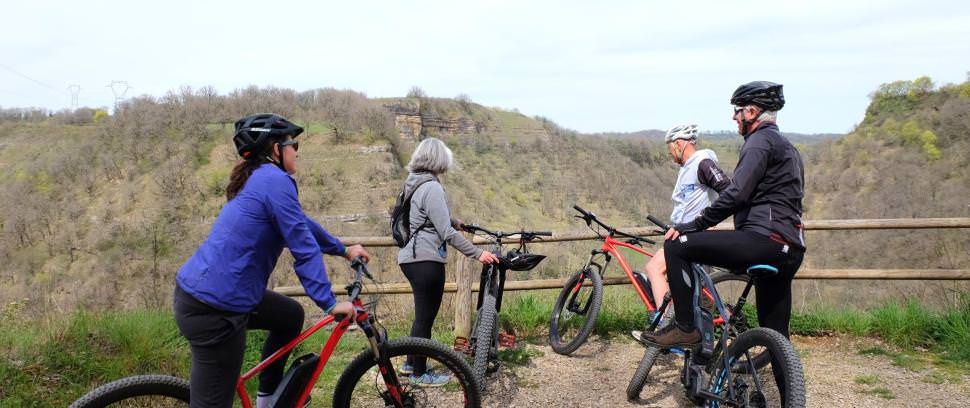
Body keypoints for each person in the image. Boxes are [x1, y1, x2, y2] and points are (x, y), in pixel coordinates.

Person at [173, 113, 370, 408]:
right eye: (294, 144)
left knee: (289, 316)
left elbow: (300, 224)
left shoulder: (262, 178)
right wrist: (328, 302)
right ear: (276, 149)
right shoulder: (275, 180)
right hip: (213, 309)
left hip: (228, 294)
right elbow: (302, 247)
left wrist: (342, 250)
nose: (297, 151)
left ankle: (267, 398)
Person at [642, 81, 806, 348]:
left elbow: (736, 194)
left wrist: (693, 226)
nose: (734, 116)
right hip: (791, 248)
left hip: (762, 241)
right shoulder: (789, 148)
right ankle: (790, 390)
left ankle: (685, 328)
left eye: (737, 110)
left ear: (751, 112)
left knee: (675, 245)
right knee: (777, 337)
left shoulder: (758, 142)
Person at [397, 137, 499, 386]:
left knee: (421, 316)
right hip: (426, 260)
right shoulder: (432, 186)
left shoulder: (413, 183)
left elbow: (425, 214)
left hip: (410, 258)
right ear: (439, 159)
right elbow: (446, 234)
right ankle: (420, 374)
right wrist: (477, 253)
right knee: (425, 318)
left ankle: (411, 364)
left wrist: (454, 220)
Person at [631, 124, 730, 344]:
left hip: (693, 235)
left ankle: (669, 325)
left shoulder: (702, 163)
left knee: (654, 268)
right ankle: (694, 333)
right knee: (694, 288)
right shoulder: (687, 168)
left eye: (670, 148)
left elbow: (728, 190)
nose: (669, 153)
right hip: (683, 235)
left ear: (679, 143)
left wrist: (709, 220)